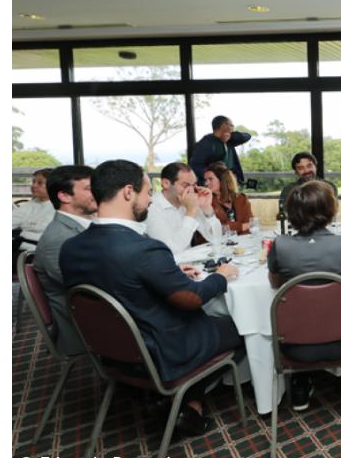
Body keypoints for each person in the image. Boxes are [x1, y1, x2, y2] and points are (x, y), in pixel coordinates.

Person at [60, 159, 241, 437]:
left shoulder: (70, 248)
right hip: (161, 350)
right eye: (148, 193)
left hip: (110, 349)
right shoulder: (144, 250)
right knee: (239, 328)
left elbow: (119, 280)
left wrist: (168, 271)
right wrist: (221, 276)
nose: (150, 200)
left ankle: (171, 398)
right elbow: (192, 298)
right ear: (128, 192)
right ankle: (187, 401)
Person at [269, 181, 341, 409]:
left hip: (295, 348)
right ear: (330, 210)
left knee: (298, 312)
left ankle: (300, 385)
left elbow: (276, 283)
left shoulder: (279, 245)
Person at [31, 164, 97, 356]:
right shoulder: (58, 238)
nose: (98, 192)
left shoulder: (86, 226)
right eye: (88, 188)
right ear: (64, 196)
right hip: (87, 326)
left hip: (100, 311)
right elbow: (91, 288)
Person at [146, 162, 221, 256]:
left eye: (194, 185)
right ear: (166, 183)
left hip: (191, 264)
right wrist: (190, 212)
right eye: (185, 185)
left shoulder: (188, 202)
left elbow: (215, 237)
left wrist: (207, 208)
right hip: (167, 267)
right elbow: (171, 250)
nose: (191, 190)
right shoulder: (152, 207)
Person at [188, 115, 251, 186]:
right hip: (213, 186)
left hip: (229, 184)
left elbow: (247, 136)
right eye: (231, 125)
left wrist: (230, 137)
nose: (233, 128)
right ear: (224, 125)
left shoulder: (230, 141)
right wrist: (214, 176)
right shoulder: (206, 143)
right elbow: (195, 165)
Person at [278, 151, 338, 216]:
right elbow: (286, 214)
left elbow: (331, 213)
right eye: (301, 168)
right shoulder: (289, 189)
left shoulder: (329, 187)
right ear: (296, 172)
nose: (306, 171)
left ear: (315, 166)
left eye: (309, 166)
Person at [204, 162, 254, 234]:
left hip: (243, 242)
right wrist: (241, 226)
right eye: (206, 180)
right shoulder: (208, 201)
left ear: (222, 180)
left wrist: (228, 226)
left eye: (210, 179)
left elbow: (250, 224)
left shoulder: (242, 198)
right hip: (219, 243)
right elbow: (214, 229)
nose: (206, 183)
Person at [13, 167, 55, 251]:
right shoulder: (29, 206)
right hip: (21, 247)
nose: (33, 186)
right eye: (33, 182)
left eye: (39, 183)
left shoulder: (61, 207)